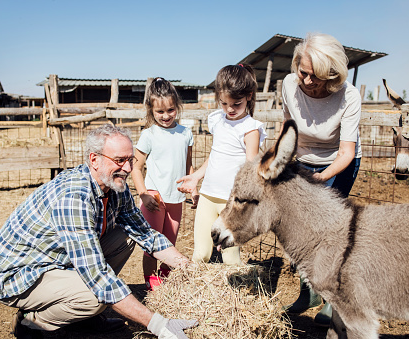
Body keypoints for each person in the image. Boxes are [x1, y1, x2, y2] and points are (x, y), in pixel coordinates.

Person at [0, 124, 198, 338]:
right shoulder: (74, 197)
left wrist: (190, 269)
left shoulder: (115, 184)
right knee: (96, 297)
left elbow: (145, 234)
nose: (127, 168)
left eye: (130, 159)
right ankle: (33, 322)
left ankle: (80, 316)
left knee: (127, 237)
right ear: (94, 159)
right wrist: (159, 324)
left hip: (57, 260)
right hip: (20, 274)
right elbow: (97, 276)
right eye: (119, 160)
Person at [281, 32, 362, 327]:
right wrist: (283, 159)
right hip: (303, 159)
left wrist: (321, 178)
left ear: (333, 75)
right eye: (304, 72)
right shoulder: (290, 84)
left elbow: (347, 152)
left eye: (318, 76)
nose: (308, 81)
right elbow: (288, 125)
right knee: (300, 231)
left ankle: (335, 302)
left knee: (329, 233)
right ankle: (309, 294)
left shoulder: (348, 96)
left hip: (337, 163)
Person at [177, 64, 267, 265]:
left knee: (230, 258)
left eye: (236, 104)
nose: (230, 109)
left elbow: (251, 166)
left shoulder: (250, 129)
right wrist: (196, 177)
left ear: (249, 96)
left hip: (230, 201)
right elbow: (215, 155)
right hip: (208, 196)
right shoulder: (218, 121)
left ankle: (233, 294)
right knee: (201, 254)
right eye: (224, 103)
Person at [132, 77, 198, 291]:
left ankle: (166, 279)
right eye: (160, 112)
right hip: (155, 197)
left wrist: (194, 187)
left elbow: (189, 165)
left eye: (170, 110)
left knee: (169, 243)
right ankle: (151, 282)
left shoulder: (185, 133)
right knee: (152, 244)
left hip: (177, 196)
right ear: (151, 111)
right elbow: (135, 167)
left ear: (176, 107)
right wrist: (143, 194)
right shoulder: (149, 135)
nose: (166, 116)